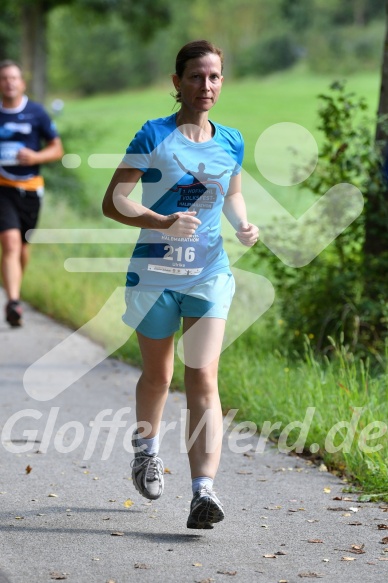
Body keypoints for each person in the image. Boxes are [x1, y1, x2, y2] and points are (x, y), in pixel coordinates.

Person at [102, 40, 259, 529]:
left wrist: (243, 224)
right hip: (154, 274)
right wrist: (160, 220)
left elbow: (231, 192)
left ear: (221, 81)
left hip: (210, 273)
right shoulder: (153, 135)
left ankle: (202, 492)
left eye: (213, 77)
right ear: (177, 83)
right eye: (195, 76)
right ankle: (146, 450)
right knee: (158, 377)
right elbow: (114, 201)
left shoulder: (230, 139)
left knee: (203, 377)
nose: (205, 86)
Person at [0, 60, 64, 327]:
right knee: (11, 243)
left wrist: (36, 155)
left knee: (23, 247)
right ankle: (13, 301)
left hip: (30, 188)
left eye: (14, 78)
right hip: (2, 188)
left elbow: (57, 149)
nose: (9, 82)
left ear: (22, 83)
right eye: (4, 78)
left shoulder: (36, 112)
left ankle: (16, 290)